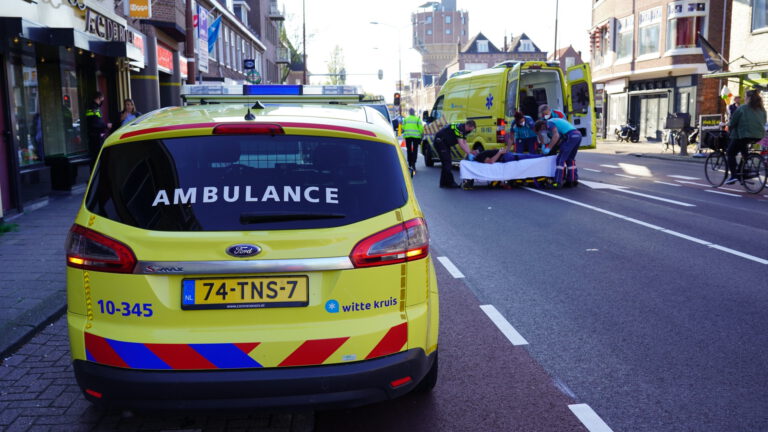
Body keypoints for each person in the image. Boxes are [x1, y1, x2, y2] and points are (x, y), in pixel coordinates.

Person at [725, 90, 766, 184]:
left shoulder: (743, 108)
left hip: (743, 135)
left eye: (745, 96)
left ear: (749, 98)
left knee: (730, 152)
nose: (744, 98)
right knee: (744, 153)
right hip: (758, 136)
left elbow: (733, 122)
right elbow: (763, 122)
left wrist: (724, 124)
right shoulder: (762, 109)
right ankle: (742, 171)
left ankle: (733, 176)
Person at [534, 117, 582, 188]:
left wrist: (548, 148)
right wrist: (545, 144)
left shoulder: (549, 123)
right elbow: (557, 140)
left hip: (570, 136)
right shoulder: (553, 122)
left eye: (542, 130)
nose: (543, 131)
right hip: (577, 134)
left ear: (542, 126)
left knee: (560, 159)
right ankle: (572, 180)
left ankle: (557, 182)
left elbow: (556, 136)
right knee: (570, 159)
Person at [434, 120, 477, 188]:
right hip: (440, 142)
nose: (471, 131)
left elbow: (465, 142)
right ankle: (450, 183)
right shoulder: (460, 129)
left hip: (444, 143)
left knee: (446, 163)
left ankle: (443, 183)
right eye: (471, 129)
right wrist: (469, 153)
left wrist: (470, 152)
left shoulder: (464, 129)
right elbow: (461, 143)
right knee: (447, 162)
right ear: (468, 126)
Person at [85, 91, 111, 167]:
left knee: (95, 160)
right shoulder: (93, 108)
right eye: (102, 99)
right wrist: (106, 126)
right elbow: (95, 124)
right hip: (96, 138)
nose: (103, 101)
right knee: (96, 160)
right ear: (99, 98)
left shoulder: (94, 107)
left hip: (96, 137)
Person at [402, 108, 424, 175]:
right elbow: (421, 128)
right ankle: (413, 164)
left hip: (408, 136)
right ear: (414, 112)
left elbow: (403, 128)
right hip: (416, 137)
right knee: (415, 150)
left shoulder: (405, 119)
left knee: (409, 149)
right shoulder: (417, 119)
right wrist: (421, 136)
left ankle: (409, 163)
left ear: (409, 112)